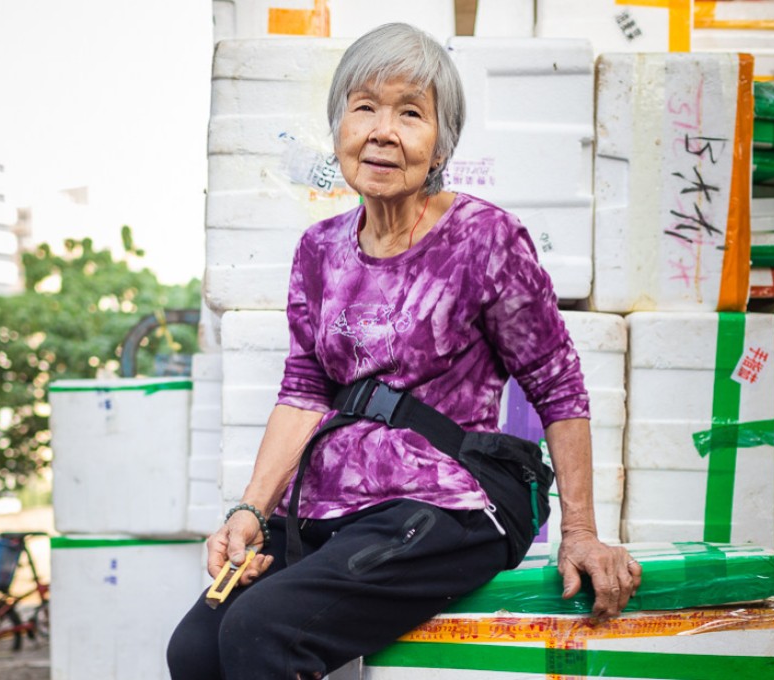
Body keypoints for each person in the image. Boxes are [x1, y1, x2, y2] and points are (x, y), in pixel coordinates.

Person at [168, 23, 641, 680]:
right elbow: (304, 390)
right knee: (194, 650)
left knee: (262, 631)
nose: (383, 131)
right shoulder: (319, 250)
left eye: (411, 113)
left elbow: (558, 387)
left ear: (441, 143)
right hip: (331, 506)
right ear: (339, 126)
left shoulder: (485, 239)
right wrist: (251, 511)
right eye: (365, 107)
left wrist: (581, 532)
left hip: (448, 505)